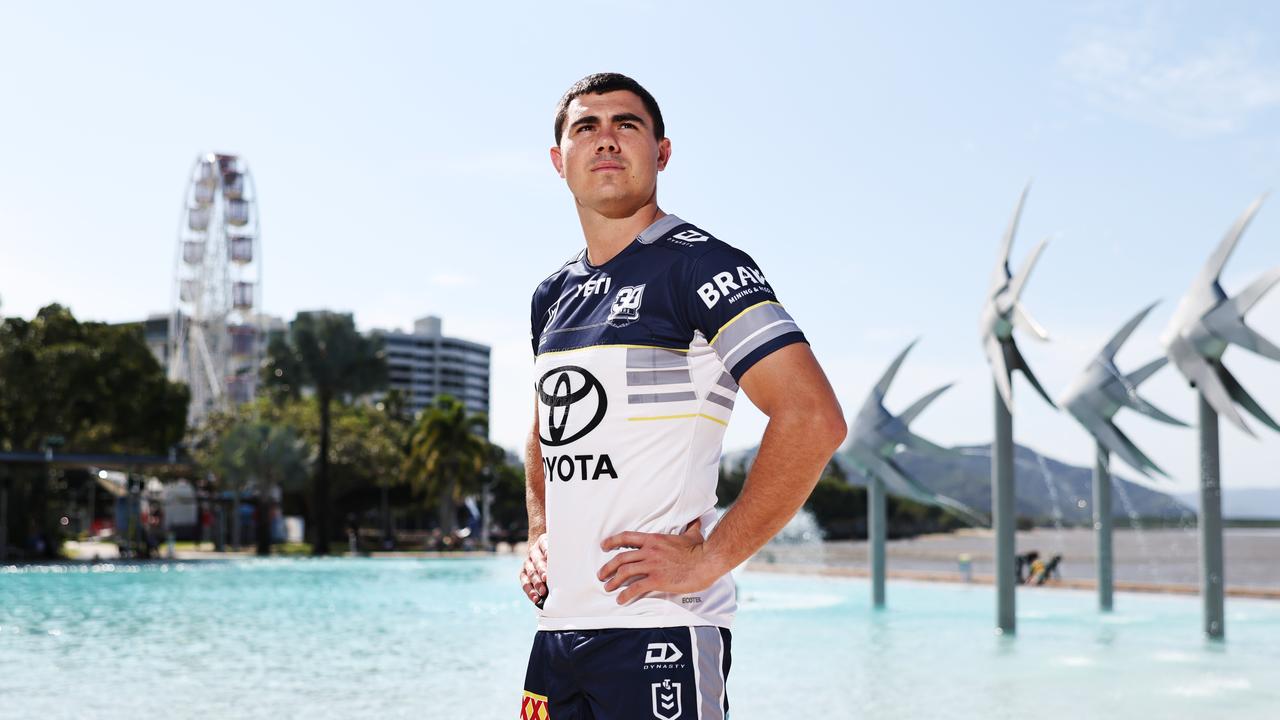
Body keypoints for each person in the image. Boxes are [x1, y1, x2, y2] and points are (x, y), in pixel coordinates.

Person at [518, 73, 846, 719]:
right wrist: (541, 532)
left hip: (662, 630)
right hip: (557, 637)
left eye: (626, 125)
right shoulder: (552, 293)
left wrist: (712, 557)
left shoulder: (700, 266)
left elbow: (812, 418)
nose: (605, 140)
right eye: (586, 127)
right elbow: (543, 426)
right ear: (559, 162)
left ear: (661, 153)